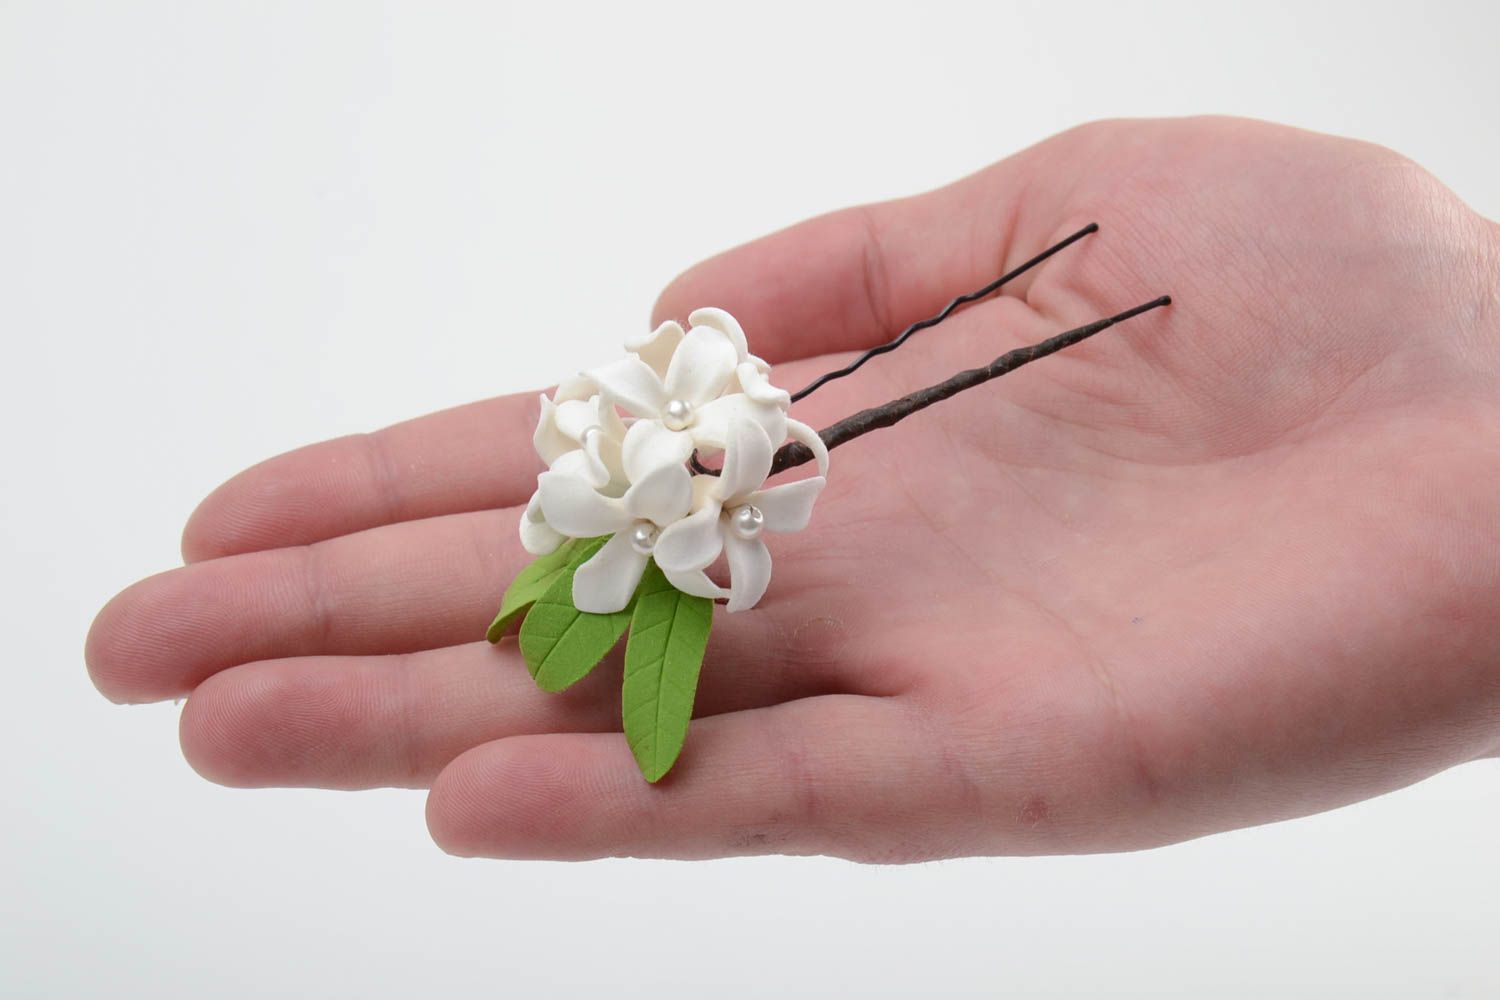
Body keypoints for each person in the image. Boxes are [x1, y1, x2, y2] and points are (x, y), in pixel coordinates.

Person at [85, 117, 1500, 862]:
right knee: (565, 613)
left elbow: (736, 495)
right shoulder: (691, 453)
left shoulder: (740, 504)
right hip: (701, 468)